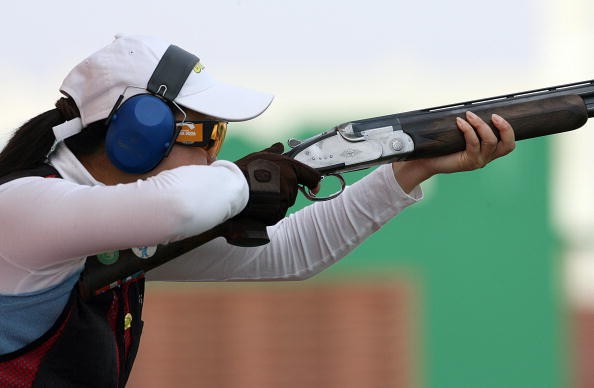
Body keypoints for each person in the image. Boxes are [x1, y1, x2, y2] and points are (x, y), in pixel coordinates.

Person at [0, 34, 515, 387]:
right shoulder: (23, 207)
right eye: (208, 134)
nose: (214, 155)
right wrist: (245, 181)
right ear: (142, 131)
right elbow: (180, 204)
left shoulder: (111, 233)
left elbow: (290, 253)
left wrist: (408, 170)